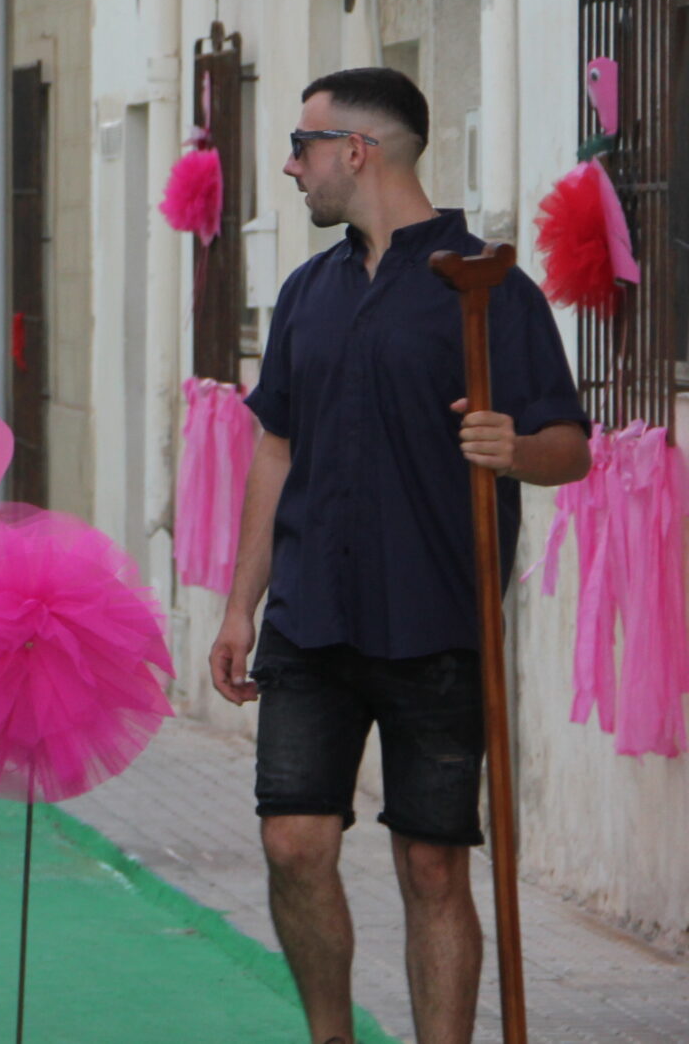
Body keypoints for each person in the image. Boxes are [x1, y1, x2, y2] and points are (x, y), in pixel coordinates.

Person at [208, 68, 588, 1044]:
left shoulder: (489, 289)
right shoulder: (305, 292)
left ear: (355, 151)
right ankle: (330, 1035)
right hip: (310, 618)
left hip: (438, 622)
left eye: (301, 146)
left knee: (431, 865)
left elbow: (567, 447)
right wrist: (238, 605)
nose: (291, 167)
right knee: (293, 842)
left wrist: (514, 447)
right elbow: (276, 448)